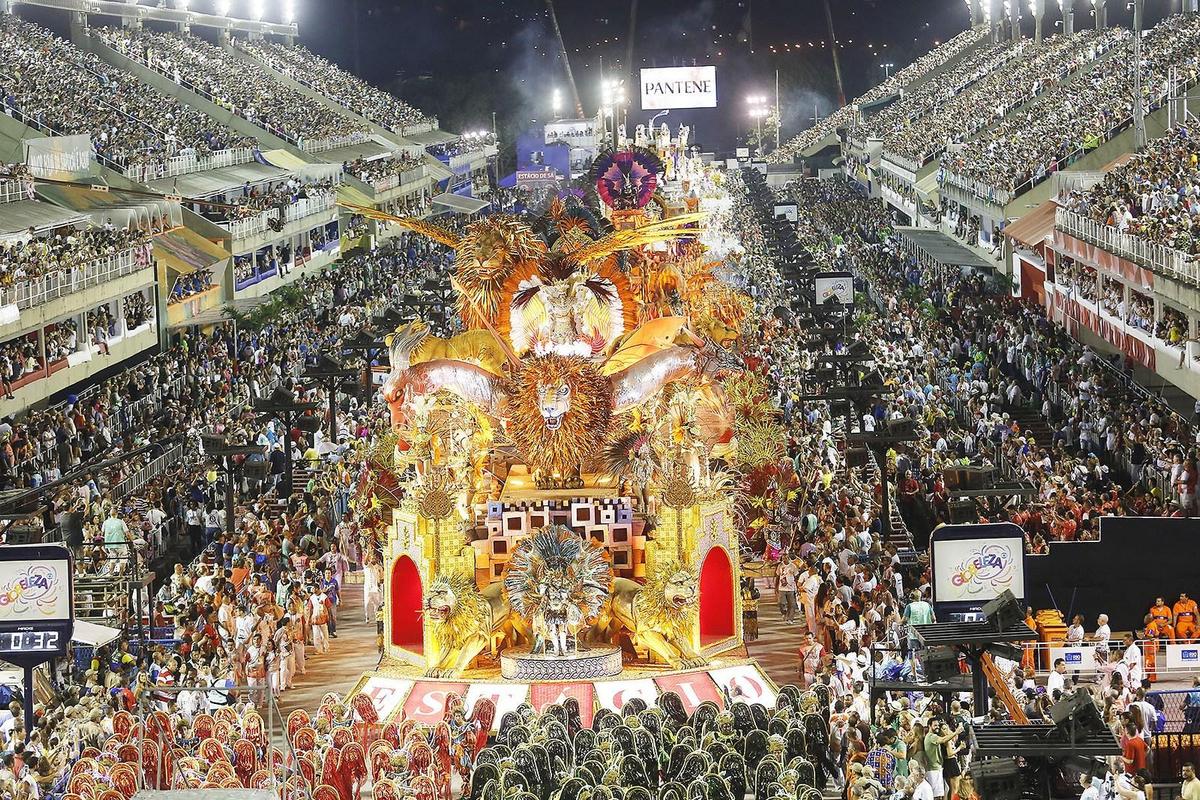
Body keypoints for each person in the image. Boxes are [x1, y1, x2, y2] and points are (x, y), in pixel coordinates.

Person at [776, 558, 799, 624]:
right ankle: (784, 613)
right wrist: (776, 587)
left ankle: (790, 619)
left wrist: (796, 587)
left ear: (788, 557)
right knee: (781, 603)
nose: (784, 558)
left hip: (791, 588)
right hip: (782, 588)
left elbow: (796, 576)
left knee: (792, 604)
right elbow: (777, 576)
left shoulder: (793, 566)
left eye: (786, 556)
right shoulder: (780, 565)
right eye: (783, 556)